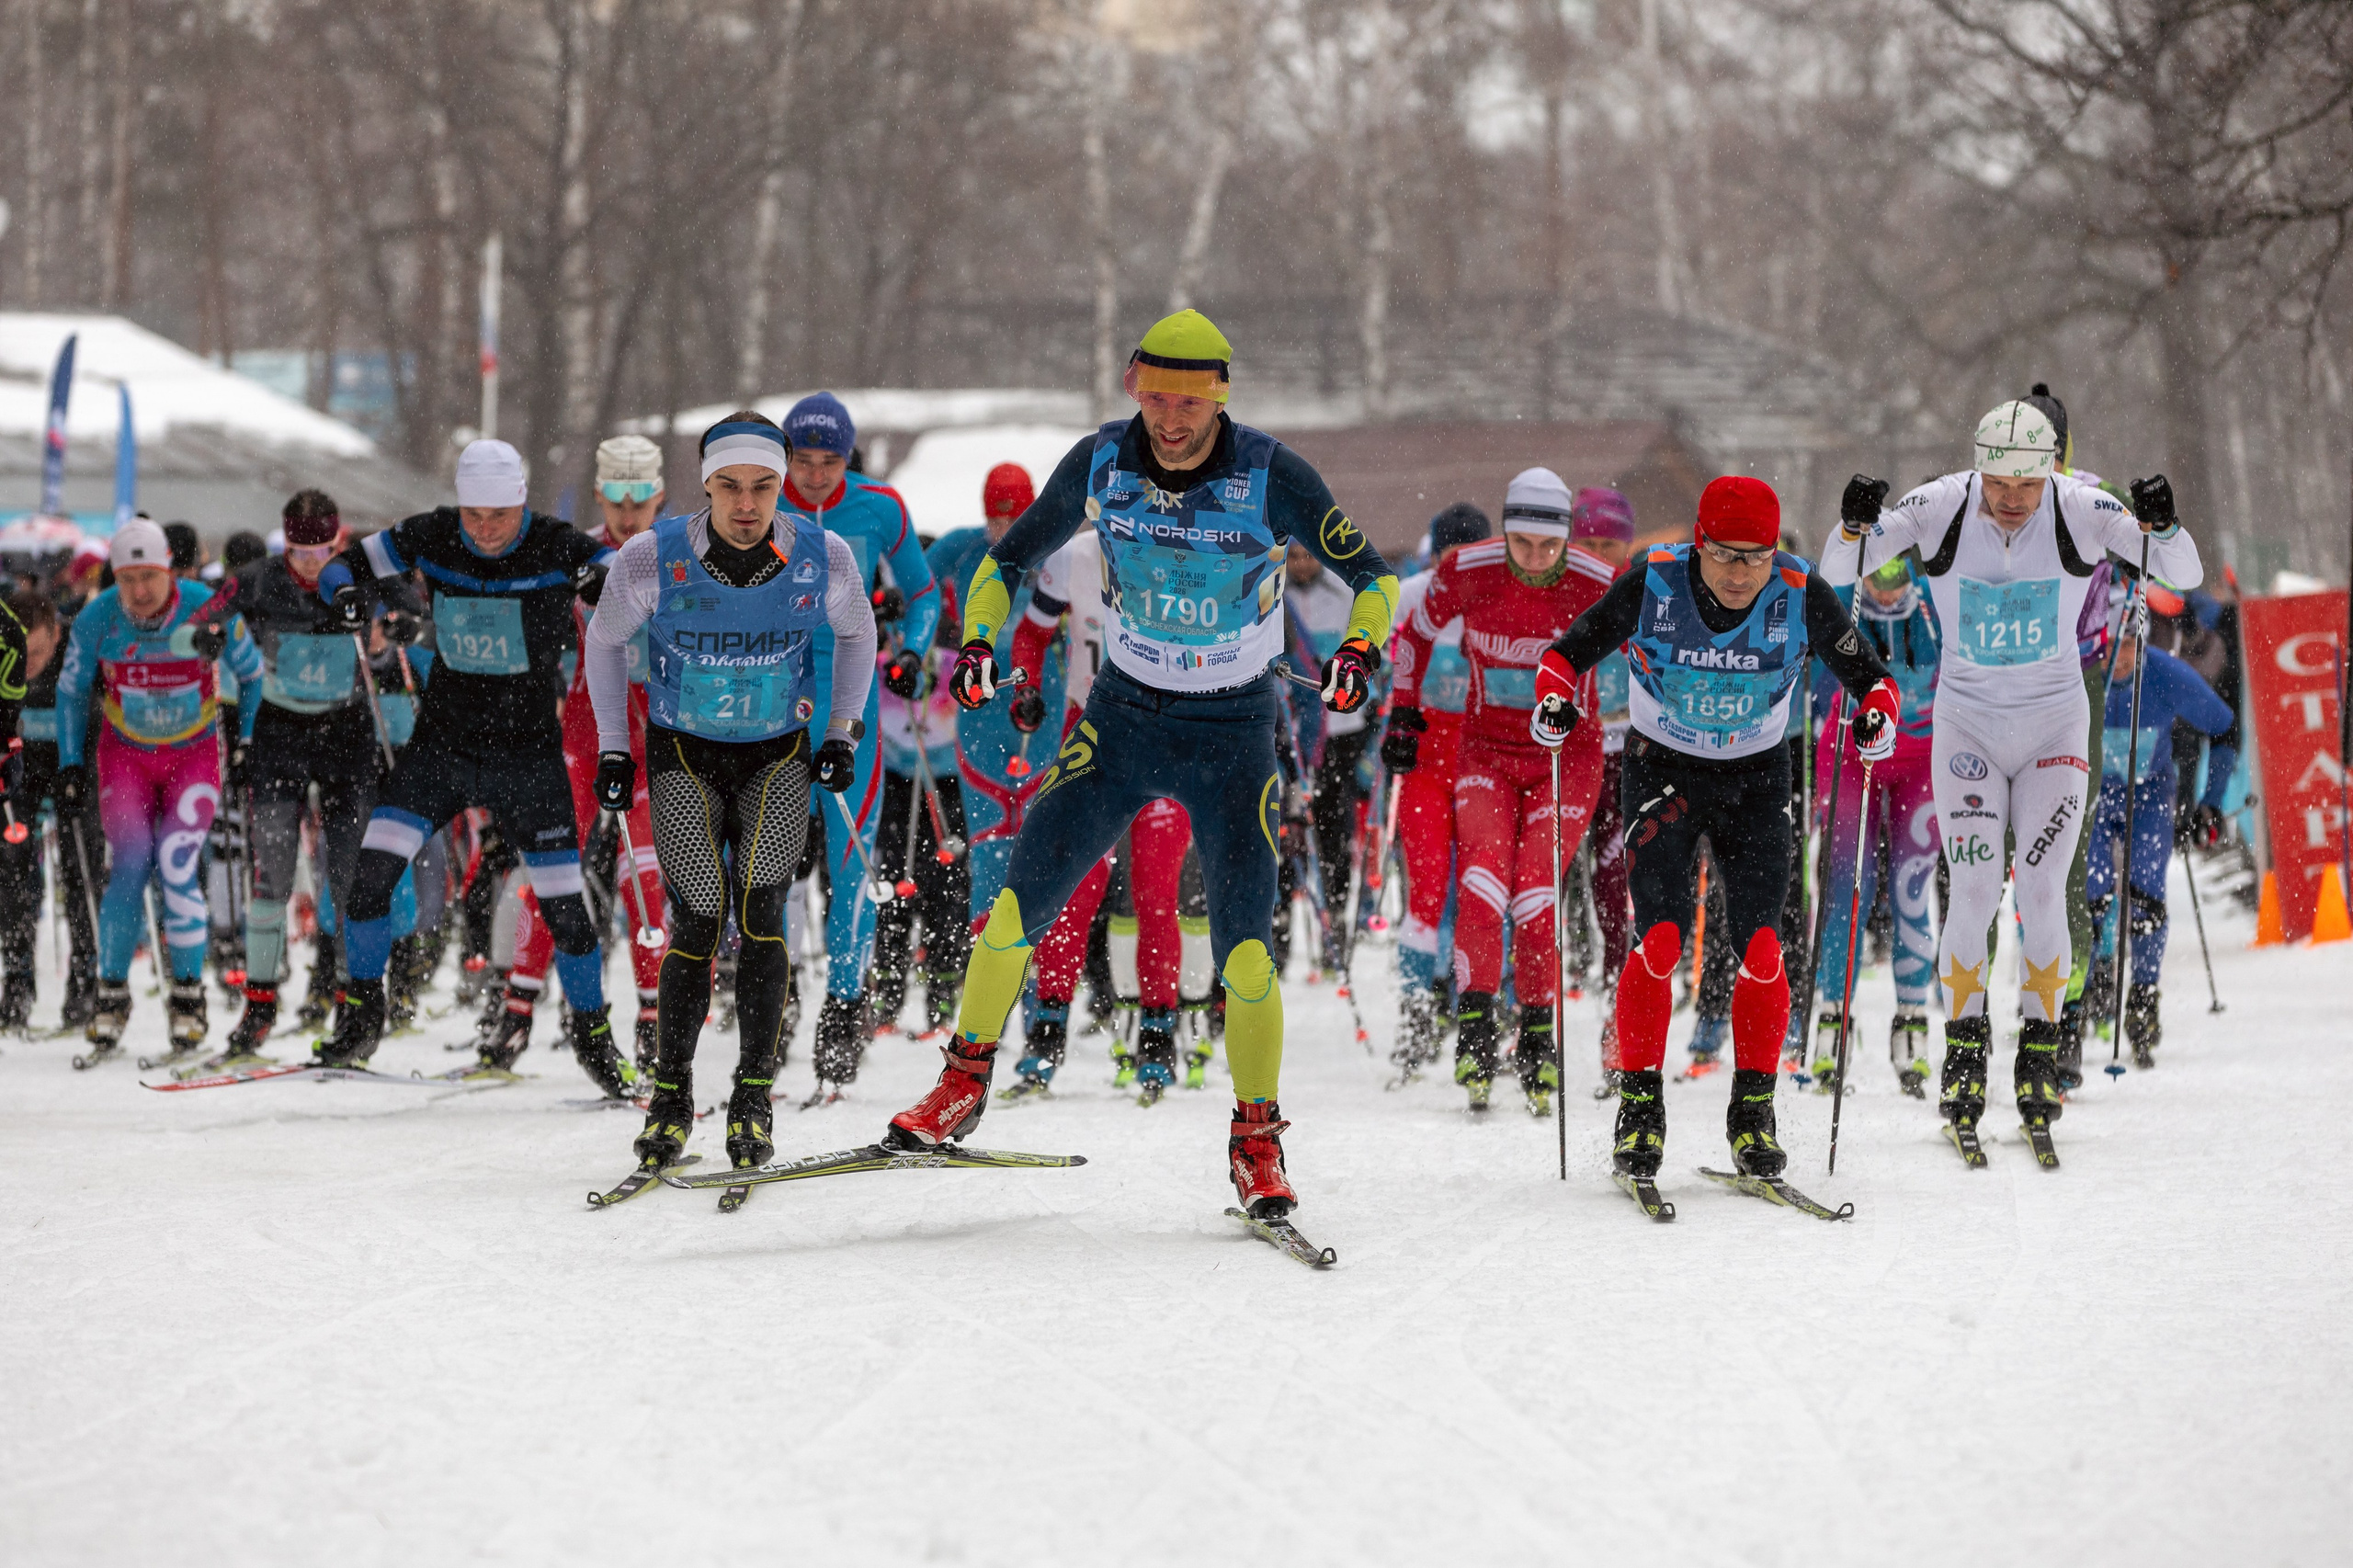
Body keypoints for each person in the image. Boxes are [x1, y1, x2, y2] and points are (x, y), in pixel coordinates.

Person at [884, 309, 1399, 1225]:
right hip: (1121, 719)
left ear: (1221, 397)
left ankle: (1256, 1140)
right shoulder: (1101, 460)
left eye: (1189, 402)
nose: (1169, 419)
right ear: (1132, 387)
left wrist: (1358, 649)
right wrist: (974, 642)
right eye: (1154, 397)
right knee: (1015, 912)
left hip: (1232, 729)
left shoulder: (1269, 474)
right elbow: (1007, 563)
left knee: (1245, 955)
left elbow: (1376, 575)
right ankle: (961, 1083)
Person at [1826, 401, 2201, 1155]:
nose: (2010, 499)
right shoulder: (1942, 505)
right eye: (1997, 481)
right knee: (1970, 889)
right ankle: (1965, 1052)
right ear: (1977, 467)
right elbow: (1841, 569)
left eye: (2027, 485)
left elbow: (2183, 572)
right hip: (1965, 730)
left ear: (2051, 471)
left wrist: (2163, 529)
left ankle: (2039, 1048)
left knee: (2039, 889)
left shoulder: (2081, 509)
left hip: (2054, 731)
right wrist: (1853, 525)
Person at [1536, 476, 1896, 1183]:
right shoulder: (1654, 584)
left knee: (1762, 945)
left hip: (1756, 779)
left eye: (1756, 557)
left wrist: (1877, 717)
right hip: (1662, 769)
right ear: (1698, 544)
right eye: (1726, 555)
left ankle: (1753, 1113)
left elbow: (1873, 680)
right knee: (1662, 938)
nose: (1741, 574)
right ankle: (1640, 1109)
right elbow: (1565, 655)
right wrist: (1553, 700)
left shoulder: (1798, 590)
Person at [583, 413, 875, 1176]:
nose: (747, 504)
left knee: (762, 913)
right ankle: (671, 1097)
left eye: (764, 487)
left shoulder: (822, 555)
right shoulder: (652, 558)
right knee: (699, 917)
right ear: (705, 484)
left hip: (776, 757)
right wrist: (616, 745)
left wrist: (842, 732)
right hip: (683, 754)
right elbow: (604, 640)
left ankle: (753, 1094)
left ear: (781, 485)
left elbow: (858, 633)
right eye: (730, 486)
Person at [313, 438, 631, 1093]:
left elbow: (622, 566)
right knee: (369, 879)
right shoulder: (433, 533)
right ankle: (362, 1015)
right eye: (473, 515)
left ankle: (594, 1037)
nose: (484, 531)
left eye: (499, 516)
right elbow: (340, 566)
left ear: (521, 504)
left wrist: (606, 577)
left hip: (527, 756)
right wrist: (349, 597)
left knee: (566, 911)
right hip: (444, 748)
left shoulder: (552, 542)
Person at [1388, 467, 1614, 1115]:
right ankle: (1478, 1030)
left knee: (1537, 896)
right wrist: (1404, 710)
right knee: (1484, 885)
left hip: (1564, 759)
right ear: (1506, 531)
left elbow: (1651, 644)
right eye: (1523, 545)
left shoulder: (1596, 581)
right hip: (1485, 752)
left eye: (1549, 547)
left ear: (1568, 539)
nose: (1536, 560)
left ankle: (1539, 1038)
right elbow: (1416, 634)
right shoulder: (1468, 569)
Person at [1000, 512, 1203, 1102]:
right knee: (1075, 886)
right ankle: (1046, 1035)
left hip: (1166, 741)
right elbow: (1032, 633)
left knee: (1155, 890)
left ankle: (1159, 1040)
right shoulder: (1074, 559)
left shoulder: (1187, 566)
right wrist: (1027, 688)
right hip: (1086, 735)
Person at [217, 489, 422, 1063]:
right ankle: (258, 1006)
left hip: (346, 739)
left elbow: (416, 616)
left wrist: (392, 633)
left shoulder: (361, 570)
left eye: (320, 551)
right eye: (297, 551)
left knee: (351, 881)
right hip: (280, 736)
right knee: (273, 877)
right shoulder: (260, 578)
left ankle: (349, 1003)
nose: (309, 565)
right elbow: (206, 615)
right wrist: (226, 641)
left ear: (337, 540)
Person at [775, 392, 940, 1097]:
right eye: (802, 462)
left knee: (850, 860)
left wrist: (911, 650)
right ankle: (772, 999)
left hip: (850, 698)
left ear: (850, 458)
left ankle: (843, 1008)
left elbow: (925, 594)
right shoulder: (753, 499)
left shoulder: (880, 507)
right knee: (766, 862)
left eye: (829, 462)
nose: (813, 477)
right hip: (768, 698)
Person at [493, 435, 668, 1075]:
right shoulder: (577, 553)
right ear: (599, 493)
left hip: (655, 737)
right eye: (616, 495)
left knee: (643, 878)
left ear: (659, 495)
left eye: (640, 495)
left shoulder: (675, 552)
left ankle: (654, 1021)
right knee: (552, 870)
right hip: (586, 733)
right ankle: (515, 1013)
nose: (627, 510)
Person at [54, 519, 262, 1057]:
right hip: (125, 759)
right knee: (129, 864)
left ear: (170, 571)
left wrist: (246, 741)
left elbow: (255, 673)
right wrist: (70, 761)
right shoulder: (97, 617)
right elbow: (72, 691)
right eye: (128, 580)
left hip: (193, 759)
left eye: (151, 577)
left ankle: (188, 997)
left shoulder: (205, 604)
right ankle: (112, 993)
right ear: (113, 580)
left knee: (175, 864)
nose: (141, 591)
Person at [1807, 553, 1943, 1095]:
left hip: (1920, 761)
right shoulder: (1844, 605)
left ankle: (1912, 1024)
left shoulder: (1935, 607)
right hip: (1849, 756)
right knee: (1845, 887)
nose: (1885, 593)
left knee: (1912, 888)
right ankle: (1831, 1025)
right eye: (1874, 578)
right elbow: (1806, 675)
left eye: (1897, 578)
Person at [2084, 590, 2235, 1067]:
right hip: (2092, 795)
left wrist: (2211, 803)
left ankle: (2144, 1000)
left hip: (2149, 796)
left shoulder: (2165, 674)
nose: (2119, 658)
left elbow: (2225, 728)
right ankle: (2091, 986)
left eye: (2129, 644)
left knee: (2146, 896)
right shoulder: (2081, 674)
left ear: (2143, 639)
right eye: (2110, 645)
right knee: (2091, 897)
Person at [926, 464, 1062, 938]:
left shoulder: (1055, 551)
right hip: (980, 723)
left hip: (1042, 719)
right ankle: (991, 1007)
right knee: (987, 864)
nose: (1004, 533)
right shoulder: (964, 548)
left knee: (1038, 869)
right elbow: (914, 582)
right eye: (995, 522)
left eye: (1014, 522)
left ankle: (1038, 1002)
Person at [1381, 502, 1489, 1075]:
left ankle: (1480, 1008)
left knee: (1480, 891)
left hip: (1479, 755)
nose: (1461, 565)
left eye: (1471, 554)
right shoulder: (1411, 594)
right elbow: (1385, 665)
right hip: (1424, 756)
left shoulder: (1496, 593)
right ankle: (1416, 1016)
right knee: (1426, 889)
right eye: (1452, 553)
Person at [0, 590, 94, 1029]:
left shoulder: (76, 651)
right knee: (14, 871)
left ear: (56, 634)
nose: (29, 663)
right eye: (24, 653)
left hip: (74, 764)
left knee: (83, 872)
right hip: (22, 767)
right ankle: (17, 984)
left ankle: (85, 984)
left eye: (37, 652)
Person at [1283, 537, 1378, 966]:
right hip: (1291, 729)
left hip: (1340, 729)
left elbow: (1368, 659)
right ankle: (1279, 930)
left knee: (1334, 829)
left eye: (1308, 557)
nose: (1302, 565)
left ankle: (1336, 920)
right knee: (1287, 832)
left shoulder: (1344, 595)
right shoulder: (1274, 596)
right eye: (1294, 558)